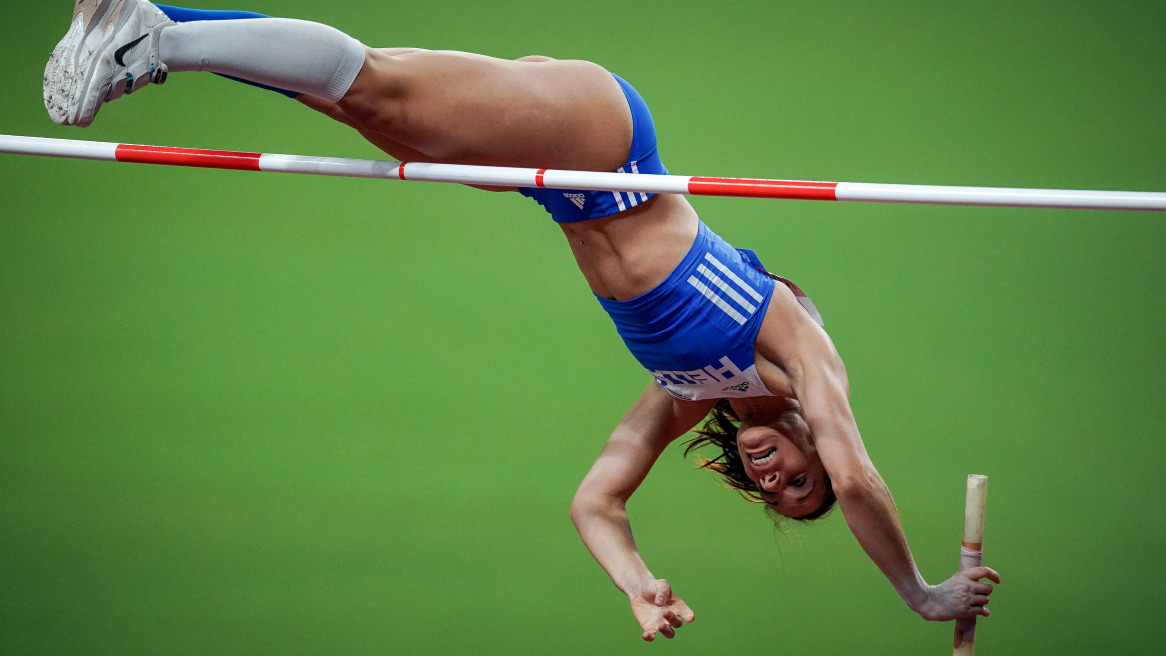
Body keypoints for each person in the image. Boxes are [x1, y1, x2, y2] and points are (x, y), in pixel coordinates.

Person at [45, 0, 1001, 642]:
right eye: (799, 480)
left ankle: (157, 31)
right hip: (608, 145)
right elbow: (859, 474)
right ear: (806, 443)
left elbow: (596, 502)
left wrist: (635, 582)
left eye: (774, 495)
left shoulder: (681, 397)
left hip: (560, 189)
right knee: (378, 86)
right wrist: (918, 593)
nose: (777, 478)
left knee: (360, 111)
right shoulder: (796, 344)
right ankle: (154, 33)